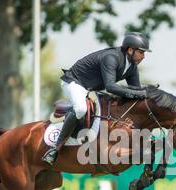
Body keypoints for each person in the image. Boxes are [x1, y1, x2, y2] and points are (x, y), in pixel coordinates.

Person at [42, 32, 152, 166]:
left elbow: (135, 91)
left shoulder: (132, 67)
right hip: (75, 83)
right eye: (141, 52)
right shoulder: (111, 57)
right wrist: (138, 93)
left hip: (91, 89)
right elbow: (110, 87)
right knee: (81, 109)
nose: (143, 56)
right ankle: (55, 149)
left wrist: (147, 92)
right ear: (130, 50)